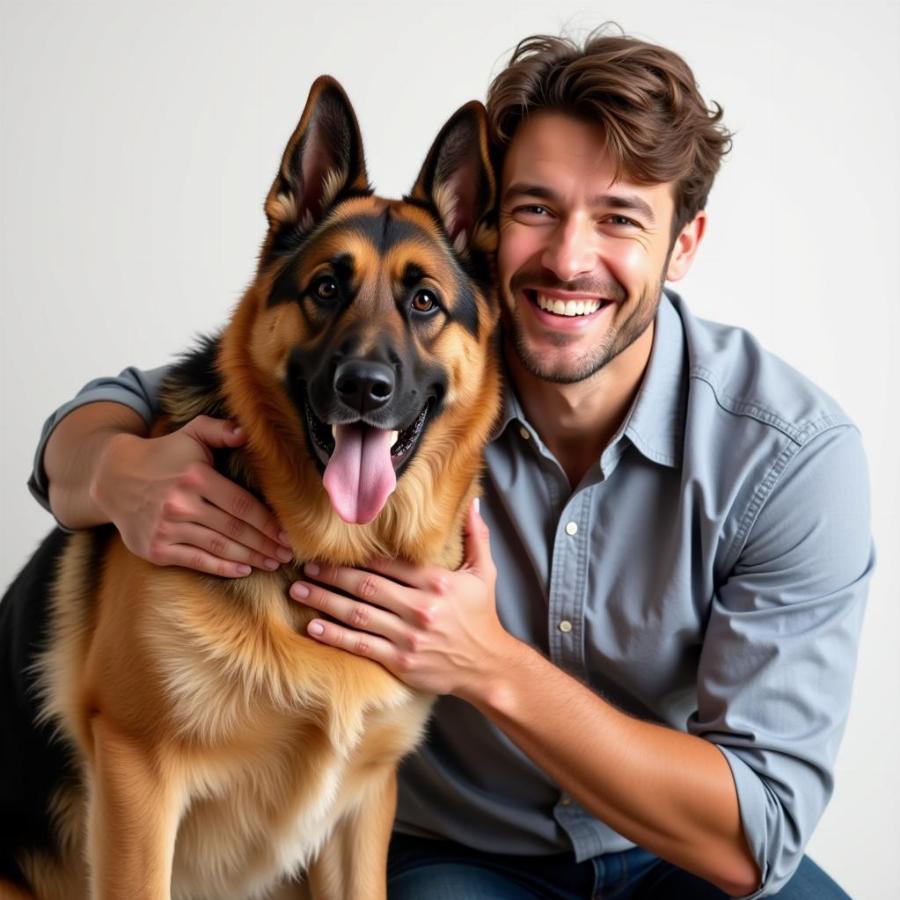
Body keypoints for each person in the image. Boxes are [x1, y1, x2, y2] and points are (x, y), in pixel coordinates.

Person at [27, 29, 872, 899]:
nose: (570, 258)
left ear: (684, 244)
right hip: (462, 858)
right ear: (490, 224)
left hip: (674, 850)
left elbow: (756, 835)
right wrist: (108, 472)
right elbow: (154, 393)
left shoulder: (787, 458)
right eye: (537, 208)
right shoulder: (411, 397)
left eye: (620, 218)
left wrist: (486, 663)